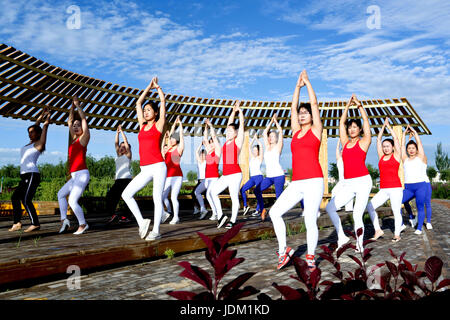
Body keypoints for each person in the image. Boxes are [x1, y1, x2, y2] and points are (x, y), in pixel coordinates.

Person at [269, 70, 324, 271]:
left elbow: (315, 103)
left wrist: (307, 83)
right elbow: (292, 108)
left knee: (310, 218)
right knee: (275, 212)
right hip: (297, 182)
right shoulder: (295, 131)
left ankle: (310, 256)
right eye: (300, 113)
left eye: (305, 113)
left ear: (311, 116)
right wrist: (296, 87)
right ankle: (284, 251)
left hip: (314, 181)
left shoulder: (316, 130)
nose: (301, 115)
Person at [325, 94, 372, 253]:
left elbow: (366, 123)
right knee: (330, 207)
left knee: (357, 214)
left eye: (354, 127)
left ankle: (360, 243)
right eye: (350, 127)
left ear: (359, 130)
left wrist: (359, 106)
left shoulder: (364, 142)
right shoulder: (345, 143)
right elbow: (341, 123)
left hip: (363, 182)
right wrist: (346, 106)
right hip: (349, 183)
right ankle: (342, 236)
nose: (352, 129)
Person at [121, 77, 166, 241]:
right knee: (126, 194)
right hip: (145, 168)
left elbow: (162, 101)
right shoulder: (141, 125)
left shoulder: (159, 124)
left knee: (156, 198)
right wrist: (148, 86)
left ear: (155, 113)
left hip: (159, 166)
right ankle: (142, 222)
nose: (146, 112)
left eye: (149, 110)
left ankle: (157, 230)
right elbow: (138, 103)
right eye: (145, 110)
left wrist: (158, 89)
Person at [9, 109, 51, 233]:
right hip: (25, 176)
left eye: (32, 132)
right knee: (15, 197)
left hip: (32, 174)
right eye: (29, 132)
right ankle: (17, 222)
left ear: (37, 134)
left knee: (26, 200)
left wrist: (47, 120)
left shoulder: (39, 144)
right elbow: (35, 127)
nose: (29, 134)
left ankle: (35, 224)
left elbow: (43, 129)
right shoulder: (29, 144)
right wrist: (41, 116)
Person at [366, 118, 406, 242]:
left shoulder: (396, 156)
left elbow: (396, 140)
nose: (385, 148)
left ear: (393, 148)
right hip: (383, 189)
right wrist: (382, 127)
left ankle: (397, 234)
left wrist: (389, 127)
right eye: (384, 147)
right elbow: (378, 140)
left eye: (388, 146)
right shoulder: (381, 157)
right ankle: (378, 230)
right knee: (370, 207)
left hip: (395, 189)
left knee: (395, 210)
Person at [58, 96, 91, 235]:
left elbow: (83, 120)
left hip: (82, 174)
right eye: (74, 126)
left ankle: (83, 224)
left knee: (72, 200)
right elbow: (69, 121)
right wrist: (71, 107)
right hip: (74, 176)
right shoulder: (73, 140)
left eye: (78, 126)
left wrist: (78, 106)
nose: (76, 127)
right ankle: (64, 220)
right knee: (61, 194)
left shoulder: (84, 139)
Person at [210, 101, 245, 229]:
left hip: (235, 174)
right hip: (225, 175)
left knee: (233, 197)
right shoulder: (226, 142)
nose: (228, 132)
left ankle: (233, 220)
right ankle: (220, 216)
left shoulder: (238, 141)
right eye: (227, 130)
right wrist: (233, 111)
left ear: (236, 133)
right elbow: (229, 123)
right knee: (213, 192)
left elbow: (241, 125)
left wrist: (240, 111)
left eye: (231, 131)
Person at [253, 113, 285, 220]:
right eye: (270, 136)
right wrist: (271, 121)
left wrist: (276, 122)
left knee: (279, 197)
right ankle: (262, 209)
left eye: (273, 136)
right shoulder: (267, 147)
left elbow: (280, 131)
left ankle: (277, 215)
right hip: (269, 177)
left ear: (276, 138)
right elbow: (264, 134)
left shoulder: (278, 147)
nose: (270, 138)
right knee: (257, 190)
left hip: (279, 176)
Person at [400, 125, 430, 235]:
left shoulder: (420, 157)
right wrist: (403, 134)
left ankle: (419, 228)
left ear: (416, 149)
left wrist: (414, 132)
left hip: (420, 187)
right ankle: (410, 218)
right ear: (407, 150)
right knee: (398, 202)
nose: (411, 150)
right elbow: (401, 146)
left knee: (420, 206)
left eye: (413, 148)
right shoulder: (405, 159)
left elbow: (420, 143)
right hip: (408, 188)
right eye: (409, 148)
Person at [106, 125, 133, 225]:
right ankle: (113, 215)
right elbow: (116, 143)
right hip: (118, 180)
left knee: (127, 197)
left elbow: (125, 142)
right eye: (120, 147)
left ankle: (127, 216)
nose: (121, 148)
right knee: (110, 196)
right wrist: (117, 133)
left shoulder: (128, 156)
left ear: (127, 149)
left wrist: (122, 132)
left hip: (126, 180)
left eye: (123, 147)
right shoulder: (118, 156)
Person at [161, 116, 185, 225]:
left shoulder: (179, 149)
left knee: (174, 197)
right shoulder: (168, 149)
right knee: (161, 196)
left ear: (177, 140)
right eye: (170, 138)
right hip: (168, 177)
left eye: (173, 138)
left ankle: (176, 217)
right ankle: (165, 213)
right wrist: (174, 124)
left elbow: (181, 136)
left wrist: (180, 125)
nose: (171, 139)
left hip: (177, 176)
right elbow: (170, 134)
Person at [199, 119, 221, 220]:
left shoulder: (217, 152)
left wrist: (211, 126)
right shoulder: (208, 151)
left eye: (212, 143)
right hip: (207, 178)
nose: (210, 144)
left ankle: (216, 213)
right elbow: (205, 138)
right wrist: (206, 128)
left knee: (209, 194)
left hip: (214, 177)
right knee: (208, 195)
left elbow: (214, 137)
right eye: (210, 143)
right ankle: (215, 213)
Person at [240, 133, 264, 216]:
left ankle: (258, 210)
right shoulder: (252, 158)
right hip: (252, 178)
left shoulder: (259, 158)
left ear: (258, 151)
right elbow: (249, 146)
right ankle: (246, 206)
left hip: (259, 177)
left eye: (255, 150)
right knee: (242, 189)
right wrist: (253, 139)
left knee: (258, 193)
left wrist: (257, 140)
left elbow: (261, 146)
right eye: (253, 150)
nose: (254, 152)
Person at [330, 140, 354, 212]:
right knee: (334, 191)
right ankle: (335, 207)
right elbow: (337, 150)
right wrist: (339, 141)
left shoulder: (350, 160)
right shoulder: (339, 160)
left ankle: (349, 209)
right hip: (341, 181)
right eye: (341, 151)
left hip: (349, 180)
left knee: (349, 194)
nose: (342, 152)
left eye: (344, 151)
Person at [191, 143, 208, 217]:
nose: (202, 156)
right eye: (201, 154)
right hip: (200, 181)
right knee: (193, 193)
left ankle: (204, 209)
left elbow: (208, 151)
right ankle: (197, 208)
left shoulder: (206, 162)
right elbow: (196, 152)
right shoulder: (199, 162)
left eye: (203, 155)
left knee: (207, 196)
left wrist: (206, 145)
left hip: (206, 181)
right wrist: (200, 145)